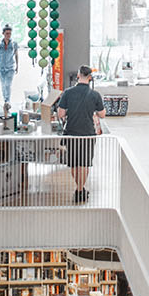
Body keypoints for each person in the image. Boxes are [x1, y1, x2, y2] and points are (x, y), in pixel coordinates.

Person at [55, 65, 106, 203]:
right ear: (90, 78)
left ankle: (79, 188)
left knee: (74, 164)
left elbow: (60, 113)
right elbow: (102, 115)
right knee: (84, 164)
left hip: (71, 132)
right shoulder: (95, 95)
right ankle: (80, 189)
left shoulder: (67, 92)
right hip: (88, 134)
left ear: (78, 76)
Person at [0, 24, 20, 109]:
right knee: (3, 85)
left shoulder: (14, 43)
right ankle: (5, 100)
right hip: (0, 67)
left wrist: (17, 66)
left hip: (10, 67)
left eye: (10, 33)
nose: (8, 35)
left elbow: (16, 55)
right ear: (3, 33)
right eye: (7, 33)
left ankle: (7, 101)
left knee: (8, 84)